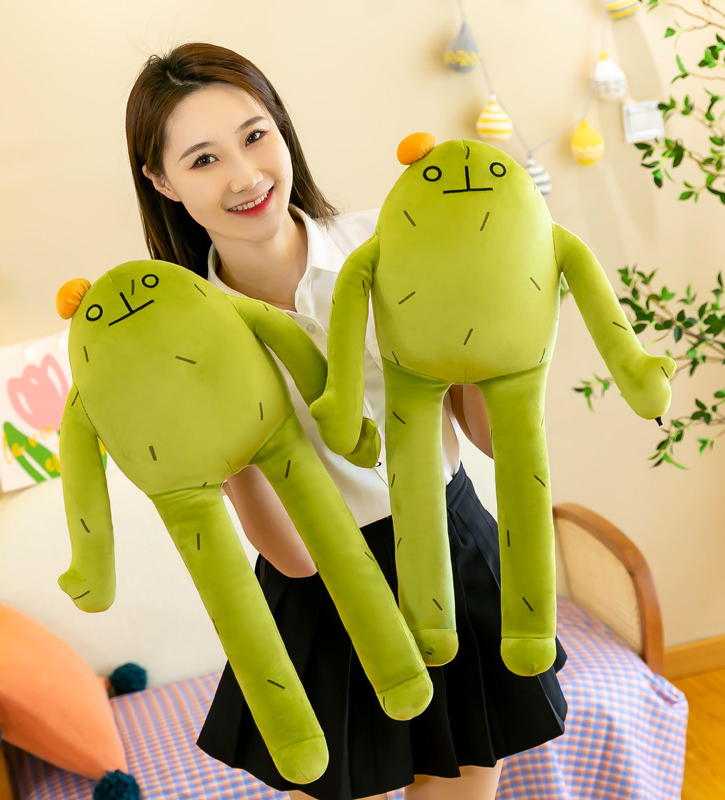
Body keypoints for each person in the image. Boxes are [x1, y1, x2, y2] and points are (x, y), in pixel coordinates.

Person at [125, 42, 567, 800]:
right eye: (204, 159)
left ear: (283, 129)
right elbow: (295, 557)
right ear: (162, 181)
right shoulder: (184, 341)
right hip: (320, 591)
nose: (245, 176)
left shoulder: (395, 246)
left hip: (453, 553)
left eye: (255, 136)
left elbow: (489, 439)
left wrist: (497, 321)